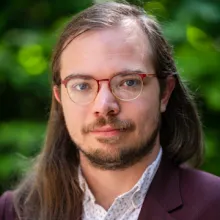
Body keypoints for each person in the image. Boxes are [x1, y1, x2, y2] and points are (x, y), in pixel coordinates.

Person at [1, 2, 220, 220]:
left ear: (164, 94)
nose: (104, 106)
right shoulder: (11, 212)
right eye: (82, 86)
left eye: (129, 83)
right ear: (60, 99)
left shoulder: (214, 205)